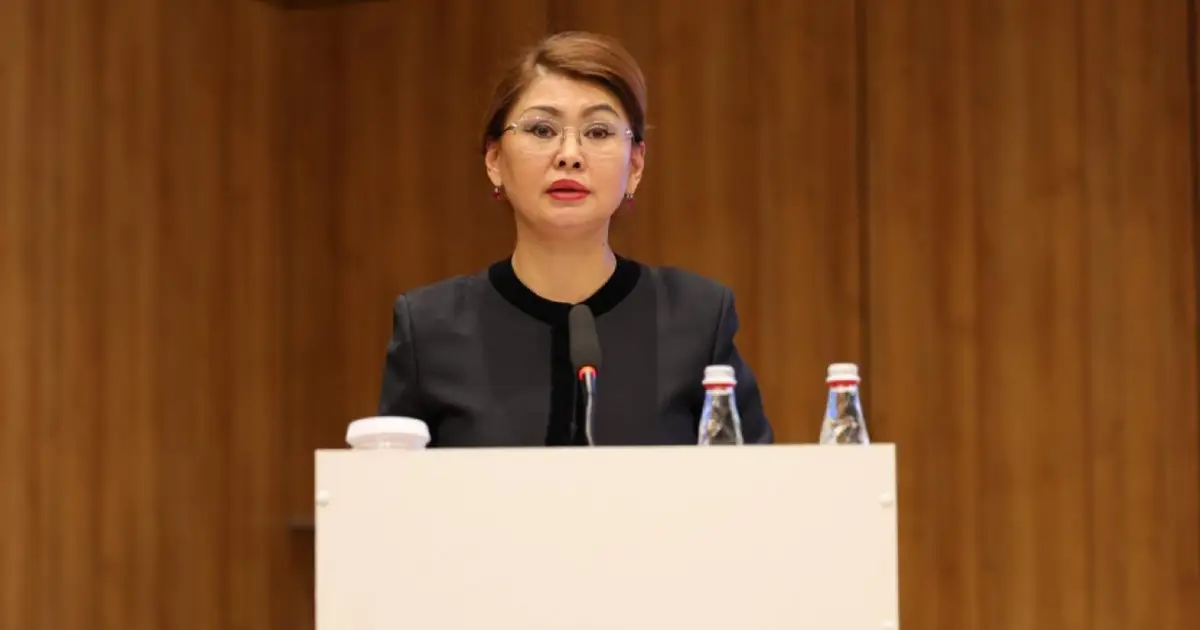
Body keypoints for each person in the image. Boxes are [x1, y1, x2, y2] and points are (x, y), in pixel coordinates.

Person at [376, 31, 774, 447]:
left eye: (598, 132)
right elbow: (388, 483)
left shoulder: (696, 319)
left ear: (635, 166)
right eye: (542, 129)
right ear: (494, 159)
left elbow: (755, 480)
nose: (569, 155)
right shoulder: (430, 330)